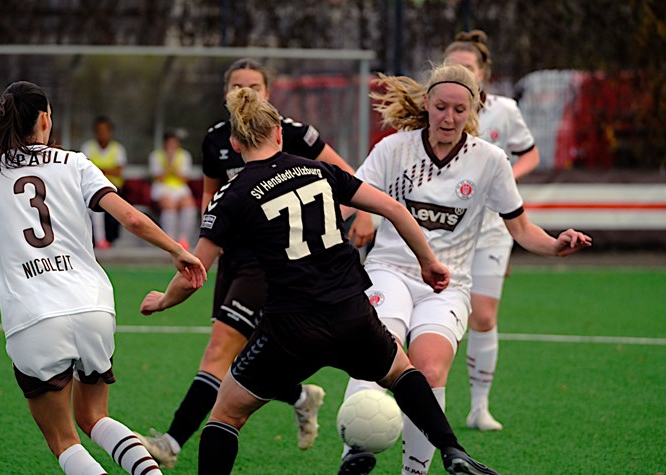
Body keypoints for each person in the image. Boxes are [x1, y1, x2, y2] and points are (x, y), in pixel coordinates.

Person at [140, 86, 498, 475]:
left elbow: (195, 273)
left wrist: (162, 300)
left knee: (225, 414)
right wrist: (428, 261)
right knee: (402, 372)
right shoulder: (320, 170)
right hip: (352, 312)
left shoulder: (233, 194)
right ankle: (452, 449)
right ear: (279, 133)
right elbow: (394, 208)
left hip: (290, 328)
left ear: (235, 143)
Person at [339, 65, 591, 475]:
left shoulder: (490, 161)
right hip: (389, 269)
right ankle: (355, 453)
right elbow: (350, 198)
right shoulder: (393, 149)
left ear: (473, 109)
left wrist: (555, 245)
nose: (449, 118)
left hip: (448, 283)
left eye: (460, 109)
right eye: (440, 107)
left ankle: (414, 472)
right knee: (378, 352)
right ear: (427, 104)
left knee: (431, 368)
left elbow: (522, 229)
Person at [134, 58, 375, 467]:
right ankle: (300, 396)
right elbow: (213, 198)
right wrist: (210, 246)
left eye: (254, 85)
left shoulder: (294, 133)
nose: (245, 92)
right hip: (234, 261)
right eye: (236, 86)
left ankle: (170, 445)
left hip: (271, 264)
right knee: (238, 355)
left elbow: (346, 177)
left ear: (269, 91)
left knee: (218, 352)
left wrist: (354, 218)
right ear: (226, 94)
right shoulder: (216, 140)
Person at [0, 81, 206, 475]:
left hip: (34, 318)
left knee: (64, 440)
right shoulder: (75, 162)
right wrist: (178, 250)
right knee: (95, 418)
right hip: (94, 308)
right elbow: (132, 217)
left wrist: (13, 249)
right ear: (43, 119)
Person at [444, 29, 541, 432]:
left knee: (483, 316)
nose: (460, 73)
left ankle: (479, 407)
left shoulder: (504, 110)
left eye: (467, 67)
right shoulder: (435, 108)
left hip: (493, 228)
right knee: (441, 318)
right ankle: (426, 397)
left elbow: (530, 152)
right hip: (444, 229)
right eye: (452, 67)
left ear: (483, 72)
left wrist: (507, 177)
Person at [80, 115, 128, 249]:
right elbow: (84, 171)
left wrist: (98, 169)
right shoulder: (87, 147)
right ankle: (99, 241)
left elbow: (118, 172)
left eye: (105, 130)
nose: (102, 134)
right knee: (95, 208)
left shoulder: (118, 149)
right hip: (92, 188)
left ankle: (109, 239)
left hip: (113, 188)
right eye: (99, 130)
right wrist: (108, 170)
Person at [149, 129, 197, 249]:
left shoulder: (184, 155)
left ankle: (184, 239)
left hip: (180, 188)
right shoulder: (156, 155)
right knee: (169, 205)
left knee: (189, 205)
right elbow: (158, 177)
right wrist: (168, 163)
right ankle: (169, 240)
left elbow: (185, 178)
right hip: (162, 188)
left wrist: (173, 166)